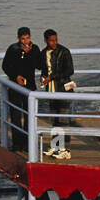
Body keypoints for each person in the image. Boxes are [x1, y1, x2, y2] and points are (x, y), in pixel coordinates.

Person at [1, 26, 43, 151]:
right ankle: (17, 143)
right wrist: (16, 76)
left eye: (27, 38)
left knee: (29, 115)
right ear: (18, 39)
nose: (25, 41)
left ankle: (27, 142)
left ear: (30, 37)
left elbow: (39, 65)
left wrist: (31, 54)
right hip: (15, 86)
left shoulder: (34, 49)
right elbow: (5, 66)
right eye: (23, 39)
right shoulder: (13, 49)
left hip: (29, 86)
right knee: (16, 115)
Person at [40, 29, 75, 159]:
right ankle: (56, 146)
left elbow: (70, 70)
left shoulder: (64, 52)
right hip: (51, 90)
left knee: (64, 120)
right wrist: (44, 77)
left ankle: (66, 149)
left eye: (56, 40)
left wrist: (52, 77)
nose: (54, 43)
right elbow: (44, 69)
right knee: (55, 120)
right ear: (46, 41)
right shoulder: (43, 53)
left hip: (63, 89)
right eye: (51, 40)